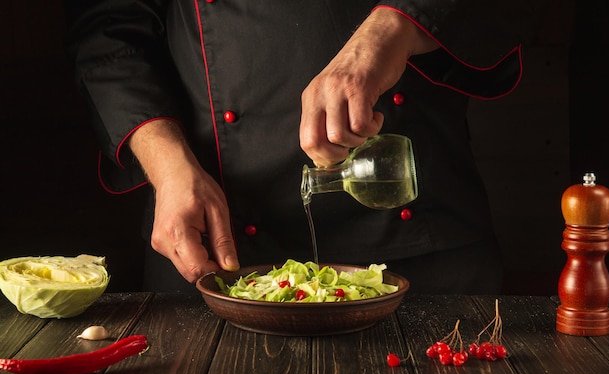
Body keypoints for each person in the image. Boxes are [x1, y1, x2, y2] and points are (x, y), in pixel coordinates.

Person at [63, 1, 540, 294]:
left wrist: (392, 29)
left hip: (424, 249)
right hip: (213, 247)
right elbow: (109, 28)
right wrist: (166, 166)